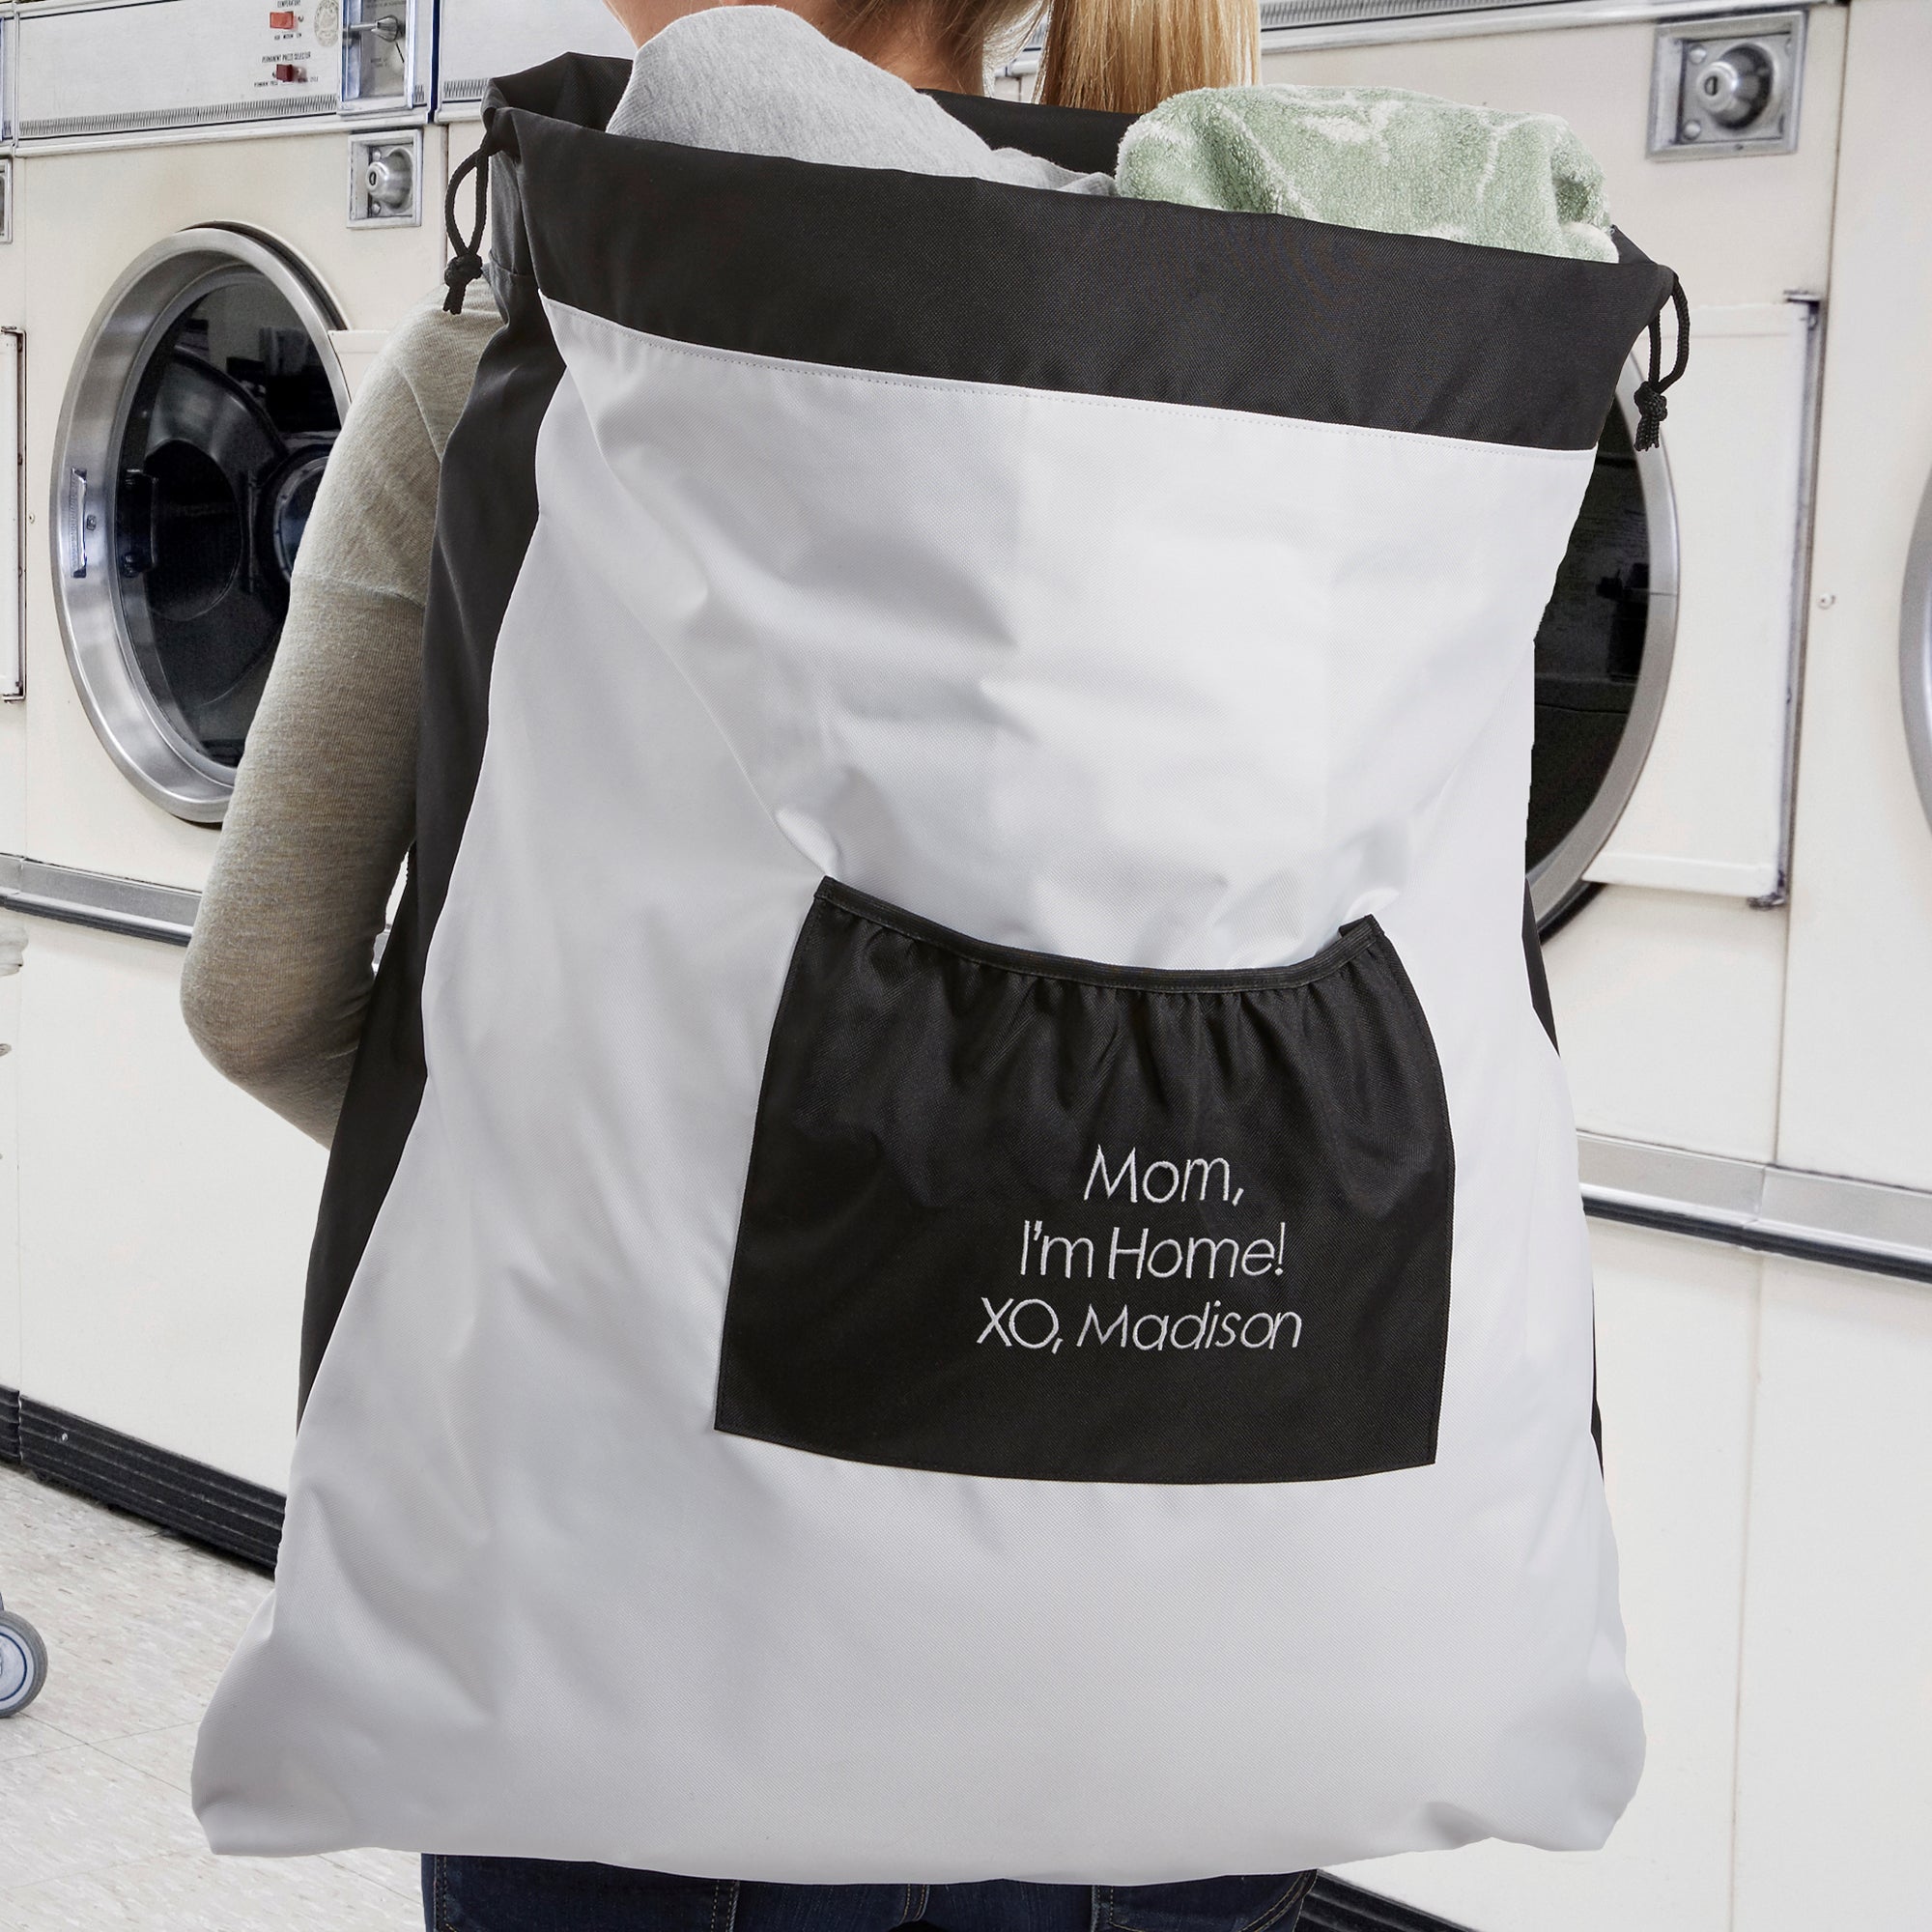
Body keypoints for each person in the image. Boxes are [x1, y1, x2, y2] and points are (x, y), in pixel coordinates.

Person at [184, 4, 1305, 1929]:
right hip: (1155, 1562)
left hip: (640, 1603)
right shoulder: (1285, 363)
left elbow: (259, 995)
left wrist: (621, 1216)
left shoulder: (512, 365)